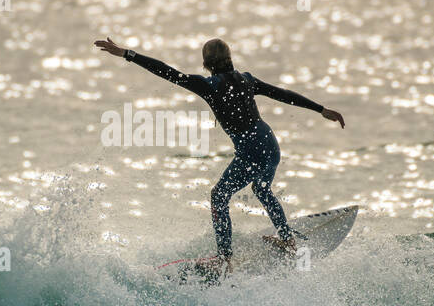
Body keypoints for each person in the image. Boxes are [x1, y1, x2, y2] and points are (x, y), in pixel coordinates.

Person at [93, 36, 345, 274]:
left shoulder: (209, 86)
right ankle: (287, 240)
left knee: (219, 196)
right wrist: (320, 109)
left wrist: (127, 54)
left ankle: (225, 258)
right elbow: (282, 94)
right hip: (268, 142)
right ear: (230, 58)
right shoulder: (247, 79)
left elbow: (166, 71)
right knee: (261, 189)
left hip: (250, 149)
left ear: (205, 64)